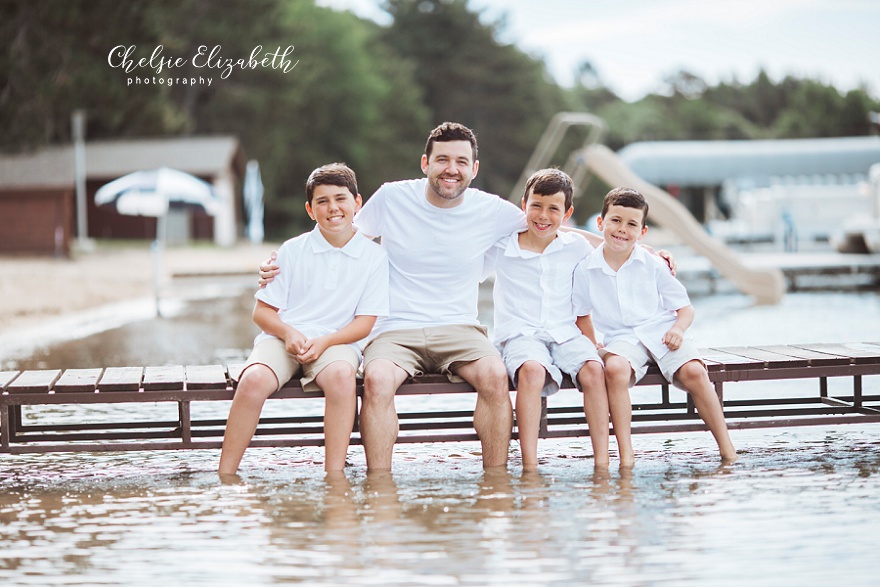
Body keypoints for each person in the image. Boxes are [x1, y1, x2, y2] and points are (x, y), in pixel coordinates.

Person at [218, 163, 389, 476]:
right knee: (253, 379)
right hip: (283, 338)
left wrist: (325, 341)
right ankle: (226, 475)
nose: (333, 208)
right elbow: (262, 313)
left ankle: (334, 477)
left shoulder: (374, 257)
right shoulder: (292, 250)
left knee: (341, 377)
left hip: (338, 340)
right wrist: (287, 333)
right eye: (322, 201)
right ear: (310, 210)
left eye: (340, 199)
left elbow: (365, 324)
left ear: (357, 204)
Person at [572, 187, 737, 466]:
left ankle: (728, 449)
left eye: (631, 224)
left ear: (643, 232)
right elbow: (581, 314)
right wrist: (592, 342)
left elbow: (684, 309)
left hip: (661, 331)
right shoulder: (586, 267)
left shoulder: (653, 263)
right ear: (600, 223)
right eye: (615, 221)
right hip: (621, 339)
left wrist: (678, 330)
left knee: (696, 371)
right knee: (614, 369)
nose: (622, 230)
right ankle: (626, 455)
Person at [483, 168, 608, 469]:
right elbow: (462, 264)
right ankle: (530, 464)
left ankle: (602, 461)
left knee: (593, 370)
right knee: (532, 371)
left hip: (564, 333)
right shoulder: (503, 245)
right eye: (536, 206)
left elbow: (610, 250)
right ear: (523, 204)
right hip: (520, 334)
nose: (543, 215)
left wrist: (652, 252)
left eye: (554, 209)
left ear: (567, 214)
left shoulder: (574, 246)